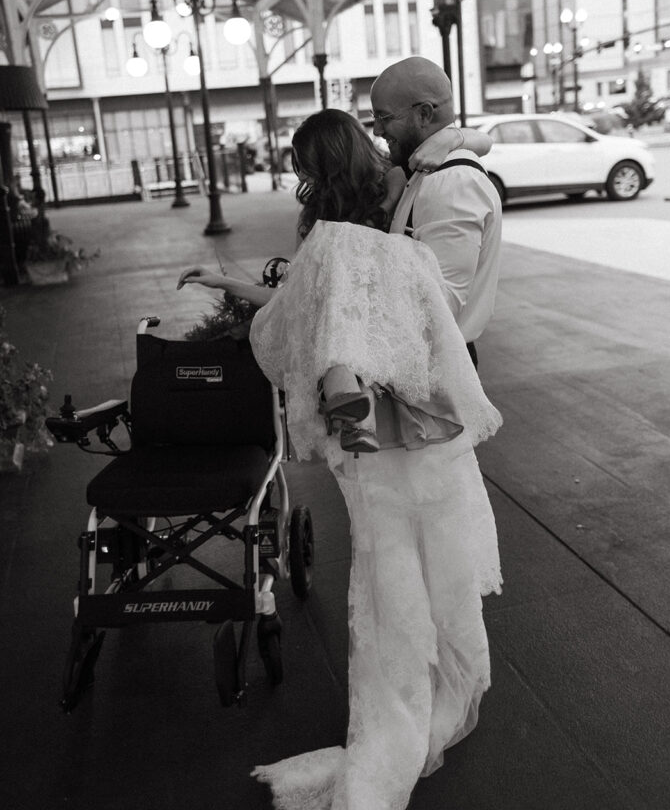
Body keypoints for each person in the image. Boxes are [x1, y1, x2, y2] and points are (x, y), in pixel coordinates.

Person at [177, 109, 502, 810]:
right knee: (439, 561)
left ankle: (397, 714)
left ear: (309, 173)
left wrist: (230, 285)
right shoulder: (402, 230)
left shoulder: (326, 245)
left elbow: (296, 323)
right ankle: (451, 681)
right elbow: (421, 325)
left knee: (388, 582)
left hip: (374, 446)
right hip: (430, 429)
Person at [370, 56, 502, 369]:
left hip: (437, 366)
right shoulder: (432, 169)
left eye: (383, 117)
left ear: (424, 114)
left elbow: (441, 308)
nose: (376, 129)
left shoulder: (450, 183)